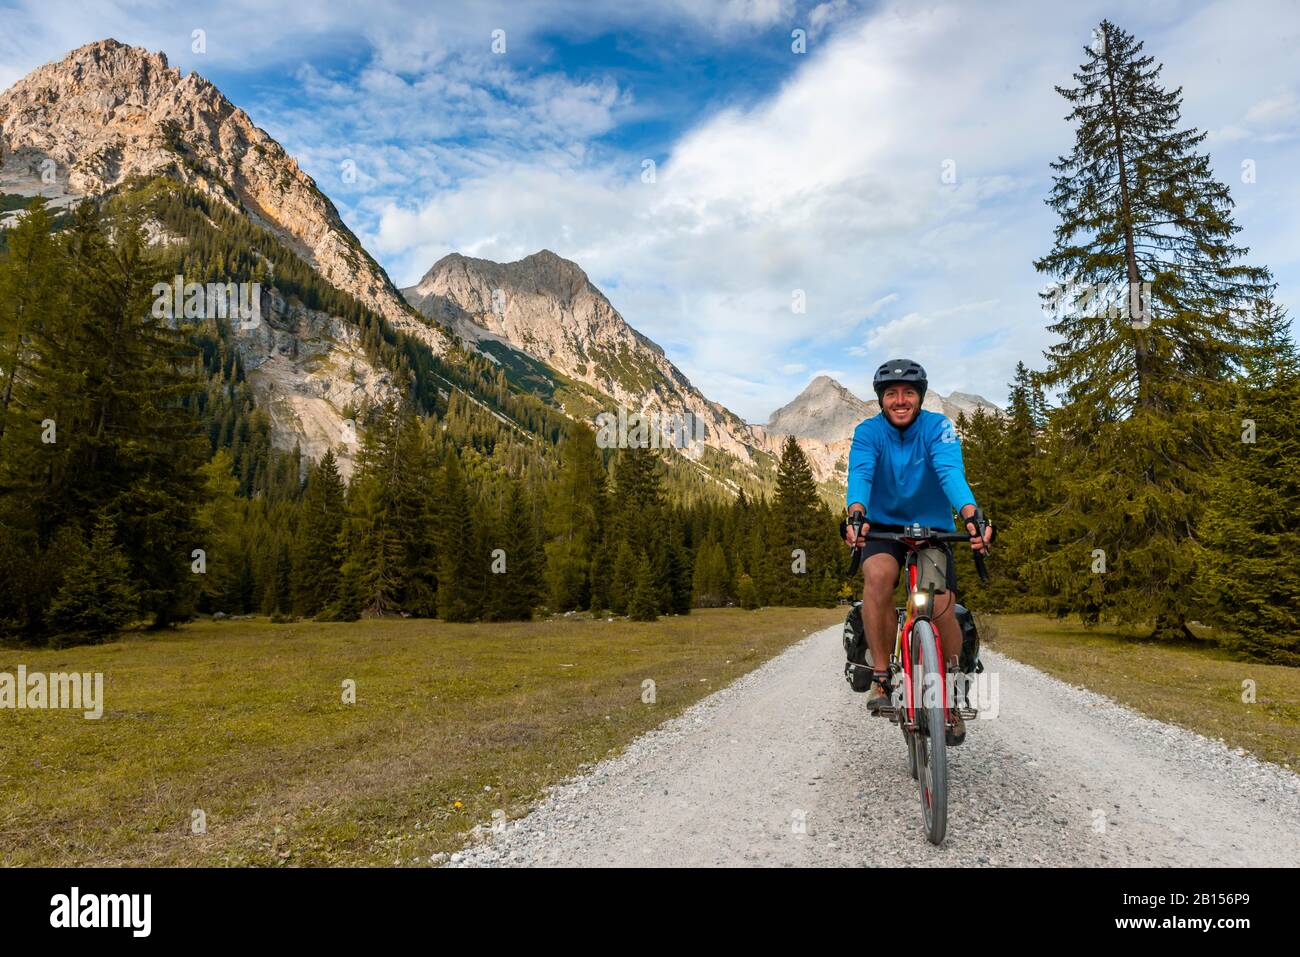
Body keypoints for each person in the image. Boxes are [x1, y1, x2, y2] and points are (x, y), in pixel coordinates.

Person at [843, 359, 992, 745]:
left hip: (933, 530)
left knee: (939, 603)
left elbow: (950, 473)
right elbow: (860, 474)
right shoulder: (867, 433)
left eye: (908, 393)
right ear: (881, 399)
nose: (900, 400)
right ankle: (880, 677)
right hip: (885, 528)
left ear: (920, 397)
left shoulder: (938, 428)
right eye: (891, 394)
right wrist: (856, 514)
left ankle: (952, 694)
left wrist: (971, 515)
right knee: (877, 577)